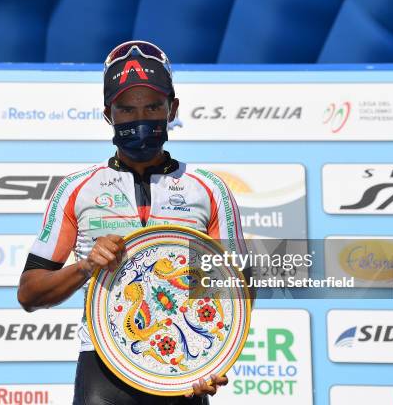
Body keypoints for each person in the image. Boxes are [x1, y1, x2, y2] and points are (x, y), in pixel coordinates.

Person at [17, 40, 249, 404]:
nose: (140, 119)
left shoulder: (210, 189)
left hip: (183, 370)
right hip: (102, 367)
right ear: (108, 114)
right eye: (127, 109)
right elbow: (30, 293)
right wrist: (86, 266)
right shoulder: (77, 189)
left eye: (153, 106)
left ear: (172, 109)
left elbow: (236, 291)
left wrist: (214, 359)